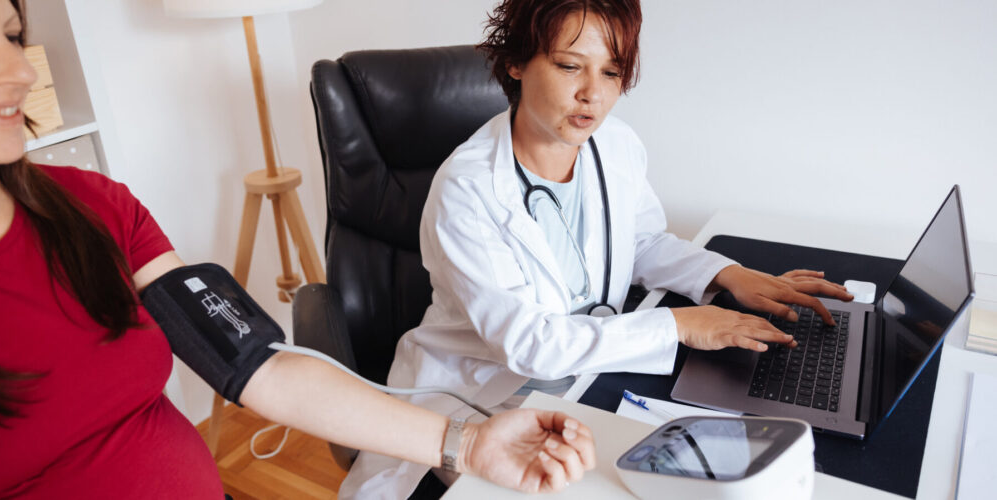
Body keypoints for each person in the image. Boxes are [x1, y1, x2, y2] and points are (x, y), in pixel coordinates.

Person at [0, 1, 597, 498]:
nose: (19, 70)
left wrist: (464, 446)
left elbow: (256, 367)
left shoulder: (94, 209)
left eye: (14, 35)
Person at [340, 0, 855, 497]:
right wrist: (680, 324)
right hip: (485, 395)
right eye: (570, 66)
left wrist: (725, 275)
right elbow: (530, 345)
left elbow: (643, 241)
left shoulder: (616, 145)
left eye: (611, 73)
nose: (593, 95)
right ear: (515, 61)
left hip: (591, 367)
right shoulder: (467, 189)